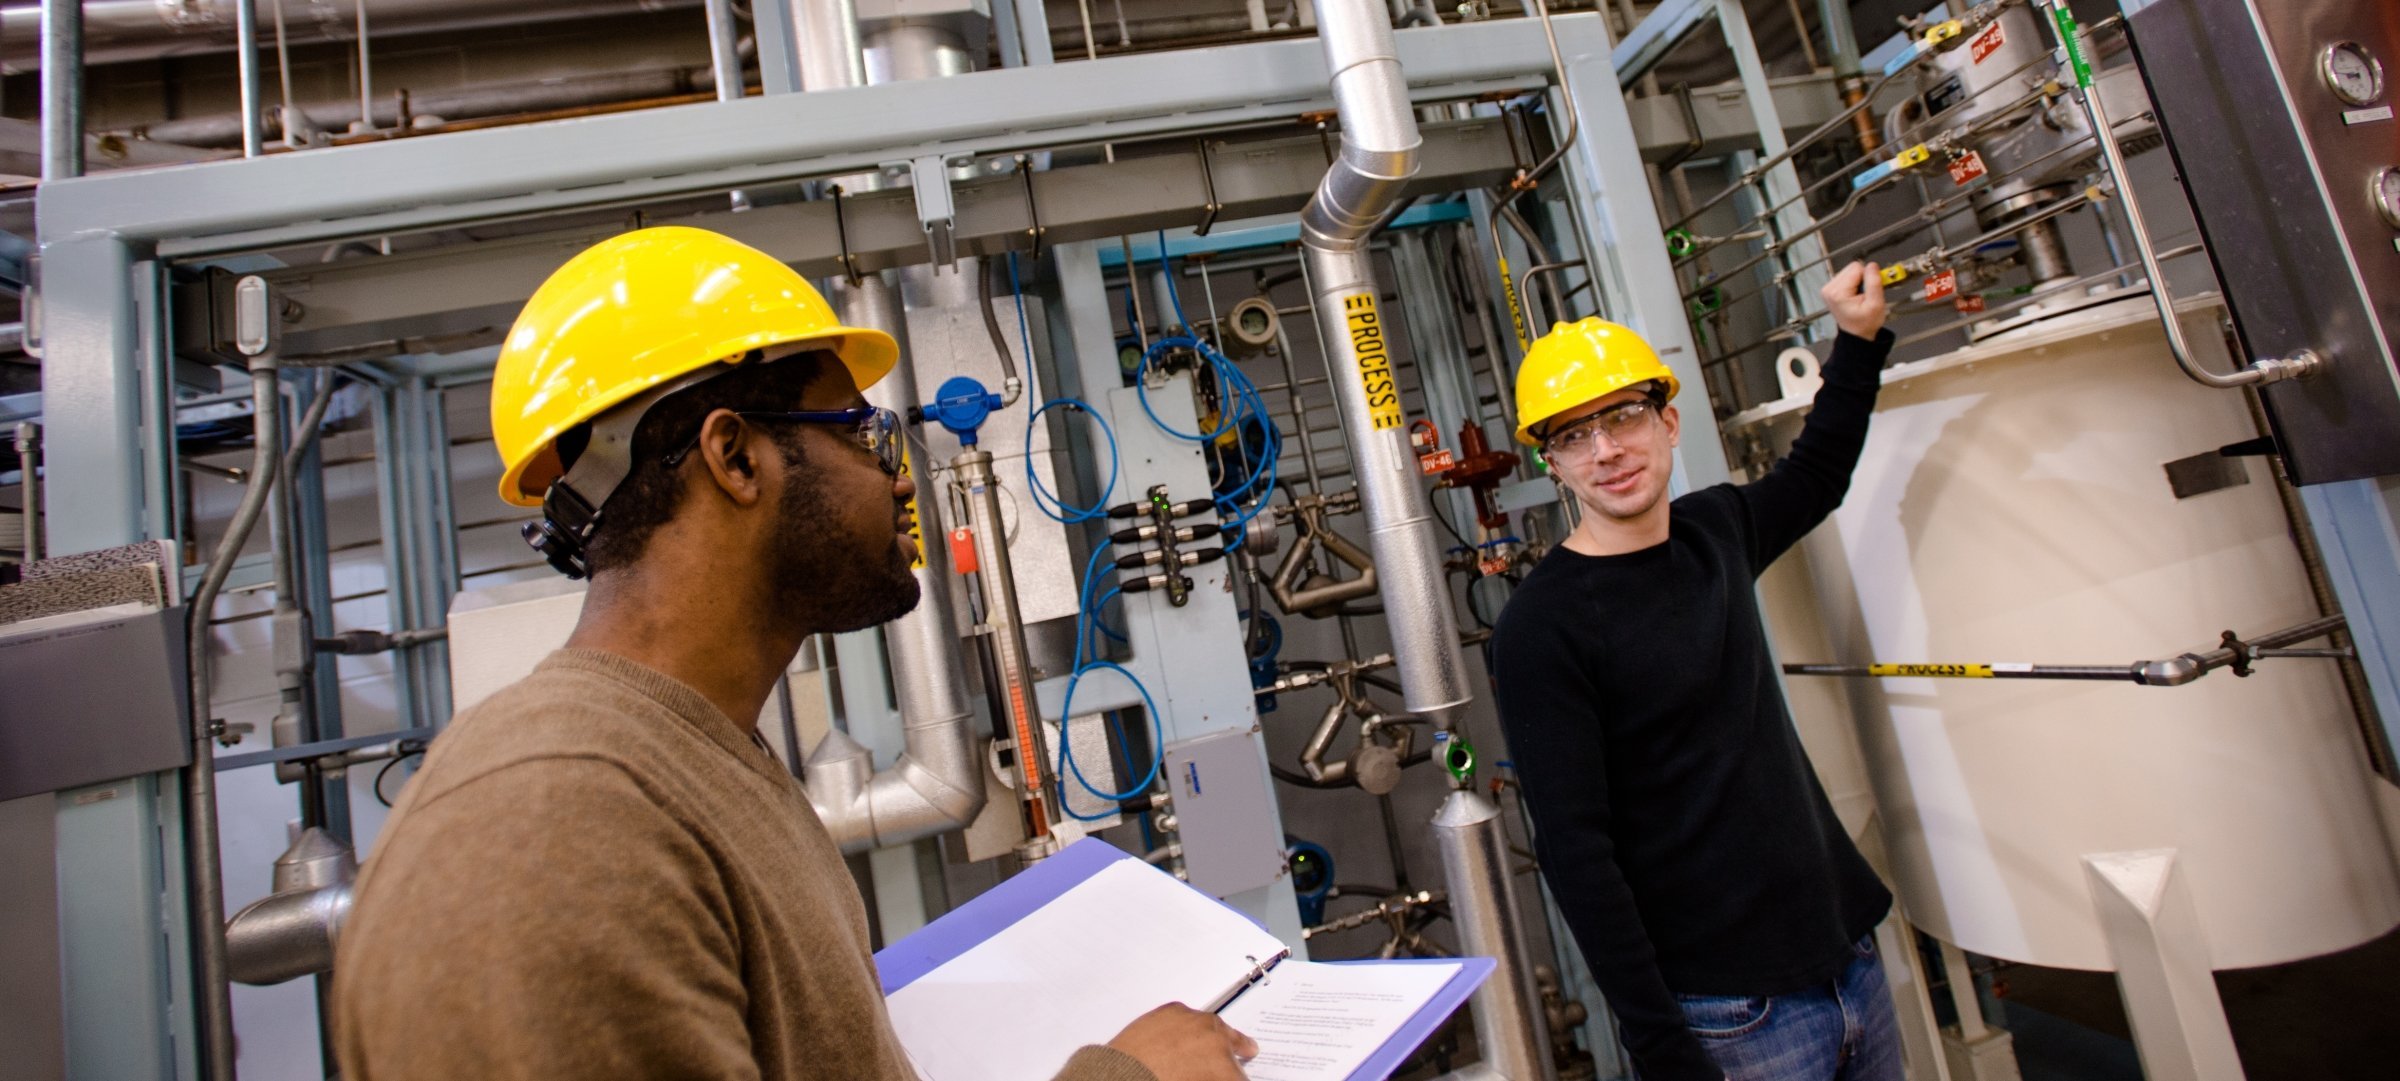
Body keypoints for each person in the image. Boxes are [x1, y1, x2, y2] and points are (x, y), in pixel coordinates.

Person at [334, 227, 1256, 1081]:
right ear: (735, 457)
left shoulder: (690, 760)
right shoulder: (552, 825)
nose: (899, 475)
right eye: (862, 432)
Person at [1489, 262, 1899, 1081]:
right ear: (1554, 463)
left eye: (1623, 416)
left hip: (1849, 958)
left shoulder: (1716, 529)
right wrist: (1662, 1044)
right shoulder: (1542, 627)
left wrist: (1856, 342)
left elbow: (1818, 474)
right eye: (1573, 434)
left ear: (1668, 421)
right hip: (1730, 1016)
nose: (1606, 450)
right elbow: (1577, 852)